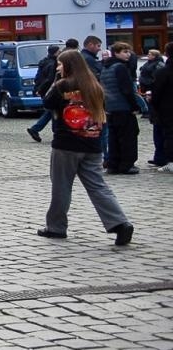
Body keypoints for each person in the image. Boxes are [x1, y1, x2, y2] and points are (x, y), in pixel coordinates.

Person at [37, 50, 133, 246]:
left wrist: (55, 80)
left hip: (66, 144)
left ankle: (56, 228)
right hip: (92, 143)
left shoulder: (62, 85)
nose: (58, 67)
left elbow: (47, 102)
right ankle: (120, 223)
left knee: (62, 187)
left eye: (60, 64)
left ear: (69, 66)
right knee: (98, 186)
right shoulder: (94, 85)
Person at [101, 42, 140, 174]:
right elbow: (127, 89)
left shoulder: (105, 67)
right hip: (123, 107)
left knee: (114, 137)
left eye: (128, 51)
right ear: (116, 53)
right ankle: (127, 164)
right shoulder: (120, 68)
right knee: (128, 136)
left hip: (111, 107)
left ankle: (113, 164)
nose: (128, 54)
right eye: (124, 51)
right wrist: (134, 106)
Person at [27, 45, 61, 142]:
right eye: (59, 51)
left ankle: (35, 129)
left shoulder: (43, 62)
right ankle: (54, 133)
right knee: (53, 111)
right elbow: (50, 79)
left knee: (50, 111)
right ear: (55, 52)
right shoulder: (53, 64)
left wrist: (37, 88)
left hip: (43, 90)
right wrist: (42, 89)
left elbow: (38, 77)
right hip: (48, 90)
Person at [149, 58, 173, 172]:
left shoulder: (163, 72)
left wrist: (154, 105)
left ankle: (171, 161)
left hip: (167, 109)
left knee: (169, 134)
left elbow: (157, 91)